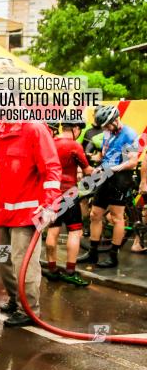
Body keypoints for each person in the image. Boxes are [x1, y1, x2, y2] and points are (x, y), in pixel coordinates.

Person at [0, 112, 62, 328]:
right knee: (2, 259)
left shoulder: (35, 129)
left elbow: (51, 169)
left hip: (28, 214)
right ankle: (14, 298)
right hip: (3, 211)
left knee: (24, 264)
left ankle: (29, 309)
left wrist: (49, 204)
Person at [85, 105, 140, 269]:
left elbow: (132, 162)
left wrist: (113, 168)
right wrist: (98, 164)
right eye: (104, 126)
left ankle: (113, 256)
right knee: (95, 214)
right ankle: (92, 252)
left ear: (116, 119)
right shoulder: (108, 133)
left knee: (117, 217)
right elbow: (105, 153)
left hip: (120, 178)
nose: (106, 128)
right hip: (105, 175)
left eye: (108, 125)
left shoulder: (130, 134)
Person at [42, 119, 93, 286]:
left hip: (51, 192)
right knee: (74, 231)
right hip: (69, 192)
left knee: (53, 229)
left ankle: (52, 269)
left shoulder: (50, 142)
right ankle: (70, 271)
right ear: (76, 129)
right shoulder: (74, 145)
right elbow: (87, 170)